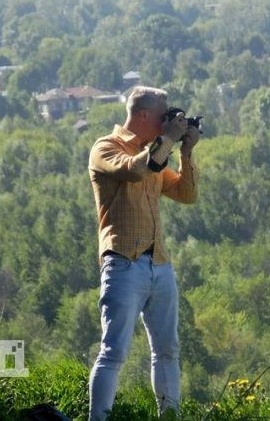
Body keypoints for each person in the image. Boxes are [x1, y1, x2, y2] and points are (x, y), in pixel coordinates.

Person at [87, 86, 200, 421]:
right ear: (144, 115)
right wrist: (167, 139)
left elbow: (186, 194)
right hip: (123, 261)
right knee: (113, 351)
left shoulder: (155, 153)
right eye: (164, 117)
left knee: (167, 350)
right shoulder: (106, 148)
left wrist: (186, 152)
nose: (167, 123)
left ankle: (169, 416)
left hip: (159, 263)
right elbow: (136, 170)